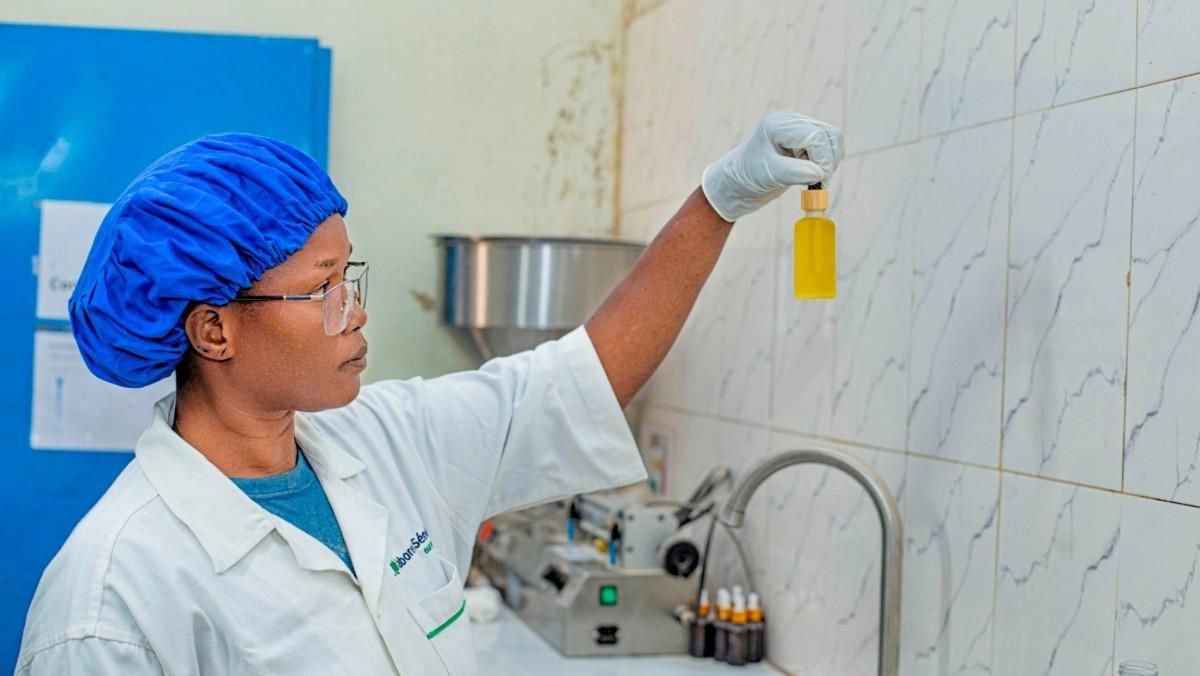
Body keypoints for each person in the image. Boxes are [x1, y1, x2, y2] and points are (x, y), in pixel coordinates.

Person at [15, 110, 842, 674]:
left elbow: (579, 378)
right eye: (322, 287)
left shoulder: (389, 440)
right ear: (214, 332)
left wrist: (720, 200)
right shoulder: (111, 595)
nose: (355, 309)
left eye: (352, 275)